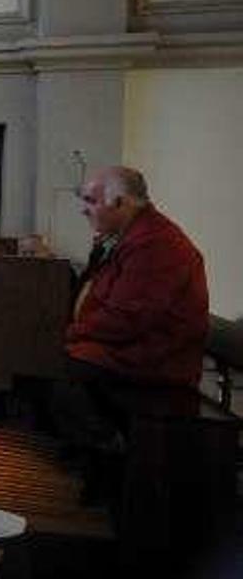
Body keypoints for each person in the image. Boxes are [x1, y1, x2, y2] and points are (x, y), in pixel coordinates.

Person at [51, 167, 209, 481]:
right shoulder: (129, 236)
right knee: (41, 357)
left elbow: (126, 320)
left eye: (91, 201)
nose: (84, 209)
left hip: (153, 360)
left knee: (57, 366)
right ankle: (78, 454)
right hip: (125, 349)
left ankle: (111, 460)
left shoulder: (156, 243)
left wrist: (66, 335)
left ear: (120, 203)